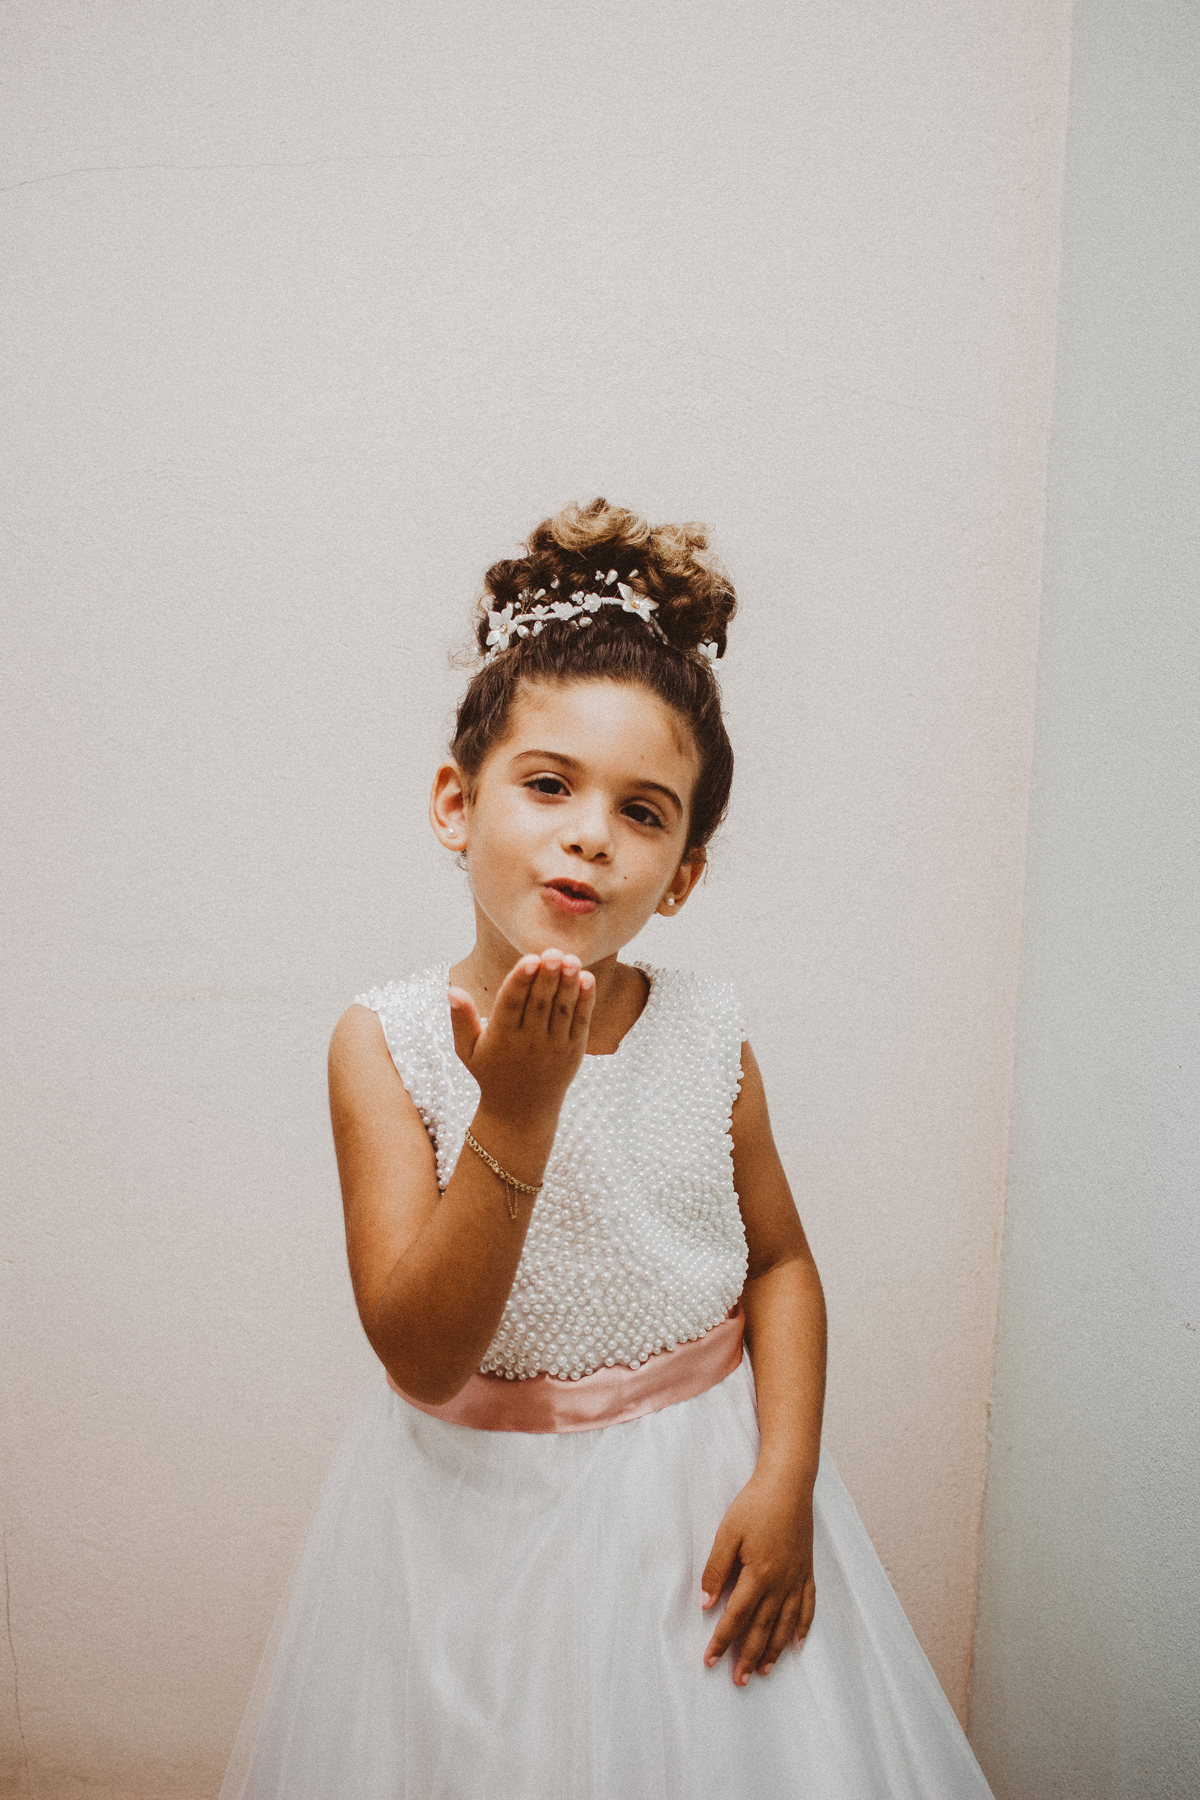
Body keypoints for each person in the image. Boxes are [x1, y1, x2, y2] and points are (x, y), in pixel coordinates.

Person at [219, 499, 994, 1799]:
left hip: (699, 1501)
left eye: (644, 812)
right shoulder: (386, 1044)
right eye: (547, 785)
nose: (591, 831)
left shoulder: (706, 1033)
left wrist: (786, 1478)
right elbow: (419, 1348)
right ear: (457, 805)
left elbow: (783, 1265)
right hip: (473, 1530)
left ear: (681, 873)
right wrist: (514, 1114)